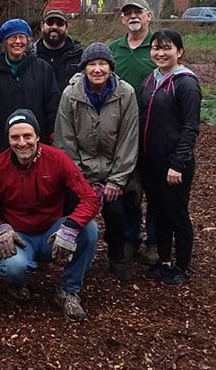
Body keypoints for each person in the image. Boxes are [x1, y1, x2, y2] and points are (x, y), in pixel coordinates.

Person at [0, 109, 100, 321]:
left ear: (37, 136)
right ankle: (17, 284)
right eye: (15, 137)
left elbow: (90, 198)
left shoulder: (58, 159)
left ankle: (68, 290)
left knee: (89, 229)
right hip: (18, 236)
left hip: (52, 233)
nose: (22, 143)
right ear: (8, 139)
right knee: (13, 267)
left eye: (27, 136)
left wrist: (70, 227)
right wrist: (1, 228)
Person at [53, 43, 139, 282]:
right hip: (81, 171)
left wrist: (116, 180)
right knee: (75, 212)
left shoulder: (126, 94)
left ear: (111, 68)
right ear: (84, 68)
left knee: (117, 213)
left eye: (103, 64)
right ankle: (74, 255)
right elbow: (65, 140)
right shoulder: (71, 95)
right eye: (92, 64)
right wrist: (81, 181)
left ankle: (117, 257)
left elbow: (128, 139)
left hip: (114, 169)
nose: (98, 69)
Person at [139, 30, 201, 287]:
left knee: (177, 213)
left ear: (179, 51)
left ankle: (183, 266)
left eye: (167, 48)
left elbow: (190, 127)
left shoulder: (185, 83)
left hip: (174, 163)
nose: (160, 53)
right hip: (150, 160)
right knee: (158, 210)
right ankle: (164, 260)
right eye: (156, 48)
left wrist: (178, 163)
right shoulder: (151, 80)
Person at [109, 0, 159, 265]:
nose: (133, 17)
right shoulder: (113, 49)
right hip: (121, 132)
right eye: (128, 13)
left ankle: (154, 241)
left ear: (148, 16)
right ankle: (130, 238)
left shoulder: (158, 47)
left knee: (154, 189)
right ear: (122, 19)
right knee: (127, 188)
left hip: (153, 129)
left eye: (138, 12)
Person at [0, 19, 59, 162]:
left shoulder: (43, 69)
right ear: (5, 42)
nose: (18, 42)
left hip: (38, 142)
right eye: (13, 38)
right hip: (3, 143)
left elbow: (53, 104)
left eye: (22, 37)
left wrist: (54, 133)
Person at [31, 9, 83, 93]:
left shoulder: (79, 55)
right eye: (50, 22)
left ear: (66, 28)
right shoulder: (31, 55)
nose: (54, 27)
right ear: (42, 26)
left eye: (60, 23)